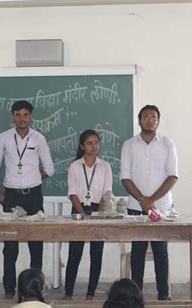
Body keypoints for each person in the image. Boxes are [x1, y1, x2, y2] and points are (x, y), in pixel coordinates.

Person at [0, 100, 55, 299]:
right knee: (9, 247)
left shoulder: (39, 138)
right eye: (18, 114)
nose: (22, 118)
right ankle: (9, 290)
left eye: (26, 114)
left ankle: (35, 290)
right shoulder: (3, 138)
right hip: (10, 195)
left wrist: (34, 178)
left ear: (31, 117)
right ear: (13, 116)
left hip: (34, 196)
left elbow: (50, 169)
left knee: (35, 245)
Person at [120, 105, 178, 301]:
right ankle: (137, 297)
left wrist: (151, 200)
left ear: (158, 121)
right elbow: (125, 177)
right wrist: (142, 200)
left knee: (161, 252)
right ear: (139, 121)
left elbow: (172, 176)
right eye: (146, 117)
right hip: (136, 208)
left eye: (153, 117)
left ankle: (163, 295)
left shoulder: (167, 144)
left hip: (161, 207)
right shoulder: (129, 145)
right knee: (137, 253)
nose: (150, 120)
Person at [64, 129, 113, 300]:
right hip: (78, 210)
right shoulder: (75, 166)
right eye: (89, 143)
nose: (94, 146)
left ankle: (90, 294)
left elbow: (107, 193)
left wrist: (97, 214)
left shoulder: (105, 166)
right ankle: (68, 293)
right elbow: (72, 193)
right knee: (74, 254)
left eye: (96, 142)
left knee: (96, 254)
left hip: (98, 209)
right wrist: (82, 215)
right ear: (82, 146)